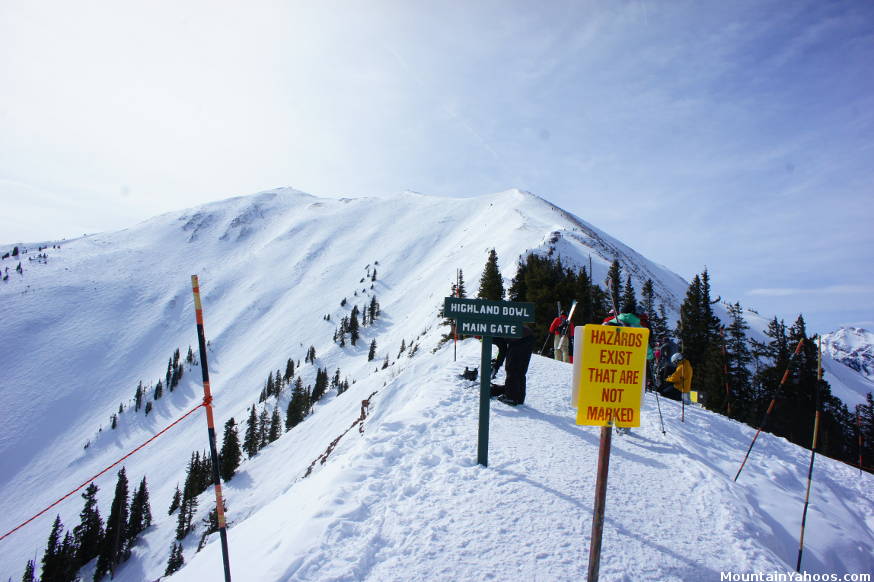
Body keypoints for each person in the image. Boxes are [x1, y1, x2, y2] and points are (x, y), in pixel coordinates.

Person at [490, 326, 534, 406]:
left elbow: (503, 350)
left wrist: (496, 366)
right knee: (520, 370)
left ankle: (511, 397)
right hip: (528, 337)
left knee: (511, 368)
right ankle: (519, 398)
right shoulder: (492, 329)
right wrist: (496, 365)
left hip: (519, 339)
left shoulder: (491, 332)